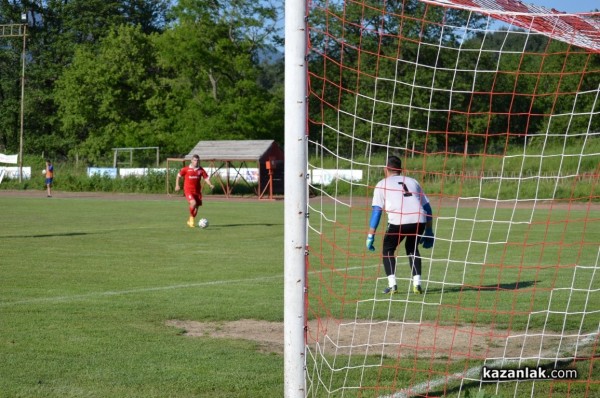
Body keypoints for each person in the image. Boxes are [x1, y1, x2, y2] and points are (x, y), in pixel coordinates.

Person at [366, 155, 434, 295]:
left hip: (399, 220)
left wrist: (370, 235)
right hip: (419, 219)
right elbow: (428, 208)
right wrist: (429, 231)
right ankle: (417, 284)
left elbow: (377, 211)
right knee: (412, 249)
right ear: (400, 170)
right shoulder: (412, 181)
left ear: (386, 169)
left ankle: (392, 285)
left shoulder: (381, 184)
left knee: (388, 250)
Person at [174, 154, 214, 228]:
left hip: (197, 191)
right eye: (195, 160)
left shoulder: (200, 170)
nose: (196, 162)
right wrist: (177, 185)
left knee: (196, 209)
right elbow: (178, 175)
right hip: (188, 190)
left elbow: (206, 178)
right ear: (191, 161)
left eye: (197, 160)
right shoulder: (186, 169)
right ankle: (191, 220)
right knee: (193, 203)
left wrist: (210, 184)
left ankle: (190, 219)